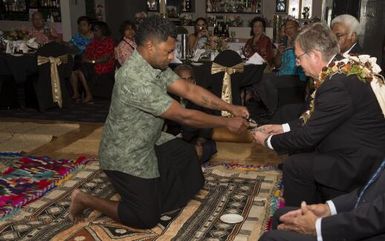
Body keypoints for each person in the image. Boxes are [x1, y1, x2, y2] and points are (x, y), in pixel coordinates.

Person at [69, 16, 249, 229]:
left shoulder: (155, 64)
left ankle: (154, 197)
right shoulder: (135, 79)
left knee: (186, 156)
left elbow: (189, 90)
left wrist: (231, 107)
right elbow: (183, 115)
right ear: (149, 46)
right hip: (125, 154)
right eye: (169, 52)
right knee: (145, 218)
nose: (172, 57)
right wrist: (225, 122)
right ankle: (84, 199)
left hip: (151, 138)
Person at [253, 22, 385, 207]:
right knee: (301, 155)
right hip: (355, 148)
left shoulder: (337, 84)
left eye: (299, 57)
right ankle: (316, 206)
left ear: (314, 55)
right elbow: (316, 117)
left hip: (358, 164)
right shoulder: (341, 68)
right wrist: (282, 128)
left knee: (295, 165)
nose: (297, 63)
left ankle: (302, 224)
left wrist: (268, 141)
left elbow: (309, 136)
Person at [259, 157, 385, 241]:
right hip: (366, 217)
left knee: (272, 238)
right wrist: (328, 208)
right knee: (281, 215)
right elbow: (368, 190)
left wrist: (318, 226)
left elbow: (377, 216)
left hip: (370, 231)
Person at [80, 21, 115, 103]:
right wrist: (85, 58)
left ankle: (88, 94)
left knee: (82, 70)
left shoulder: (109, 41)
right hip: (92, 63)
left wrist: (91, 61)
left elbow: (105, 58)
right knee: (77, 71)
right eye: (94, 30)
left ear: (103, 31)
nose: (94, 32)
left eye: (96, 30)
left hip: (104, 64)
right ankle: (77, 94)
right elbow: (85, 52)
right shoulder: (94, 41)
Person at [68, 16, 93, 101]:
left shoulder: (95, 36)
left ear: (89, 26)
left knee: (77, 66)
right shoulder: (77, 36)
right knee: (73, 68)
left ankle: (86, 94)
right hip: (79, 59)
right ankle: (76, 93)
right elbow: (70, 46)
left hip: (90, 59)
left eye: (84, 25)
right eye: (79, 25)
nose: (81, 27)